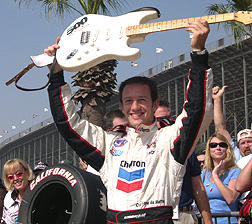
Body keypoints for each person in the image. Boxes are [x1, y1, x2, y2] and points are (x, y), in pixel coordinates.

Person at [45, 19, 213, 223]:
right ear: (122, 107)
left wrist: (199, 55)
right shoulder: (108, 143)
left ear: (154, 104)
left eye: (142, 100)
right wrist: (56, 74)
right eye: (128, 101)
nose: (135, 107)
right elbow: (67, 124)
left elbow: (197, 110)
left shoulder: (170, 139)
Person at [155, 101, 212, 224]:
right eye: (161, 119)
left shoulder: (186, 148)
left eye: (169, 118)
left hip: (183, 216)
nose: (167, 123)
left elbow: (198, 186)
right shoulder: (141, 150)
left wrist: (208, 221)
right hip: (155, 216)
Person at [201, 133, 241, 224]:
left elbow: (230, 198)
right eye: (213, 145)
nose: (218, 148)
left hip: (228, 221)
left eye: (222, 145)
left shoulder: (235, 172)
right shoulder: (204, 174)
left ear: (227, 149)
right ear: (209, 150)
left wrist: (215, 176)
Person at [212, 86, 252, 161]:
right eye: (242, 143)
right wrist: (217, 99)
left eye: (249, 141)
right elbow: (220, 129)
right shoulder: (237, 157)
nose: (246, 146)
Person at [1, 159, 35, 224]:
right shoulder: (8, 199)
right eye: (11, 177)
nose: (16, 178)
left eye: (19, 174)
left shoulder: (37, 189)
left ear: (27, 172)